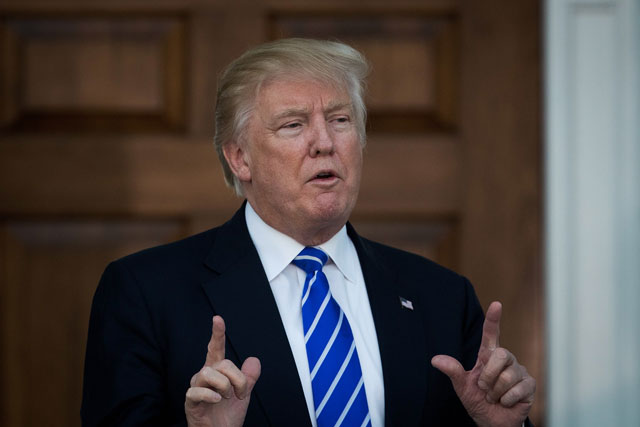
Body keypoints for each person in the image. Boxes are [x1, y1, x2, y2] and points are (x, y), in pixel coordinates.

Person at [81, 38, 535, 427]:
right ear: (240, 159)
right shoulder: (145, 292)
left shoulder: (441, 296)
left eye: (340, 120)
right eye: (294, 125)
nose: (325, 142)